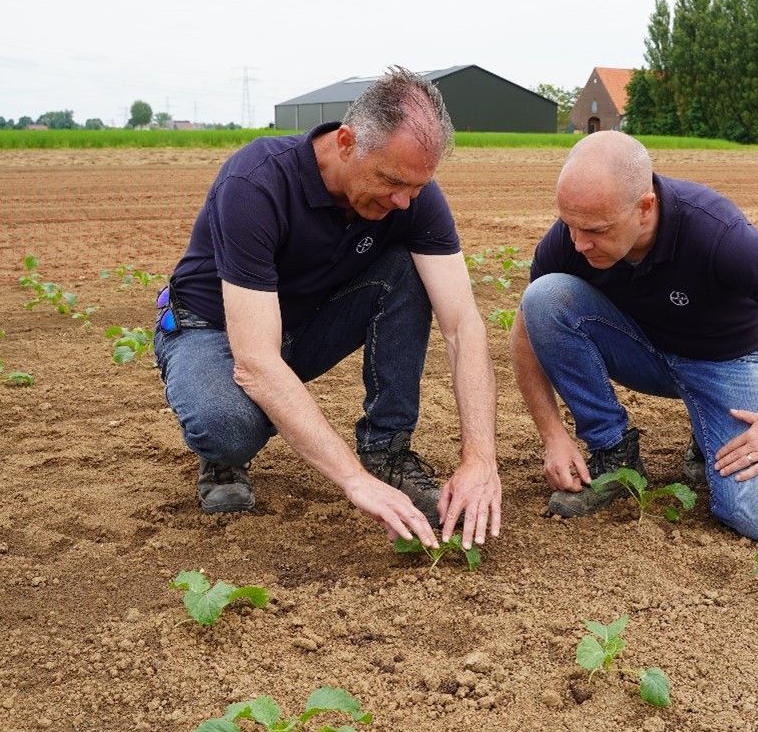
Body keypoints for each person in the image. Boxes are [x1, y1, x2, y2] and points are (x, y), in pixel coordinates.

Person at [154, 67, 500, 549]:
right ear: (345, 143)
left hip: (303, 327)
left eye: (417, 188)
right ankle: (225, 456)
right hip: (212, 329)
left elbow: (463, 327)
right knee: (228, 427)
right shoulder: (257, 182)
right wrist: (352, 481)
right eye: (391, 180)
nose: (404, 201)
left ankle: (386, 452)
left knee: (407, 271)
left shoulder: (411, 197)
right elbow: (254, 360)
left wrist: (480, 458)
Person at [510, 131, 758, 540]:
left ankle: (709, 431)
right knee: (544, 297)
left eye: (597, 230)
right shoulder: (573, 237)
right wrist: (553, 435)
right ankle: (614, 452)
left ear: (645, 207)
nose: (579, 242)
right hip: (646, 350)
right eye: (570, 225)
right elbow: (525, 335)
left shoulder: (717, 233)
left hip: (730, 361)